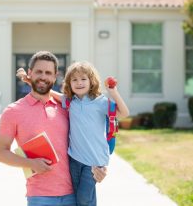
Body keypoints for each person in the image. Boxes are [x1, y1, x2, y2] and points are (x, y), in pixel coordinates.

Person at [0, 51, 107, 206]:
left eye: (48, 73)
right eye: (39, 72)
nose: (43, 76)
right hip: (40, 196)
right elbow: (1, 153)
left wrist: (100, 168)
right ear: (30, 73)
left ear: (55, 77)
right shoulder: (13, 111)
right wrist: (31, 163)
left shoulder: (69, 108)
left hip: (73, 194)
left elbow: (91, 137)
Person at [17, 61, 129, 206]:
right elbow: (48, 91)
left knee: (84, 198)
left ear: (91, 81)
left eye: (83, 79)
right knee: (78, 196)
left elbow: (124, 113)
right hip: (75, 159)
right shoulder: (70, 102)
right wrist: (29, 80)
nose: (79, 83)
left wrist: (114, 92)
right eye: (74, 79)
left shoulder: (100, 102)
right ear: (69, 83)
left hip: (94, 162)